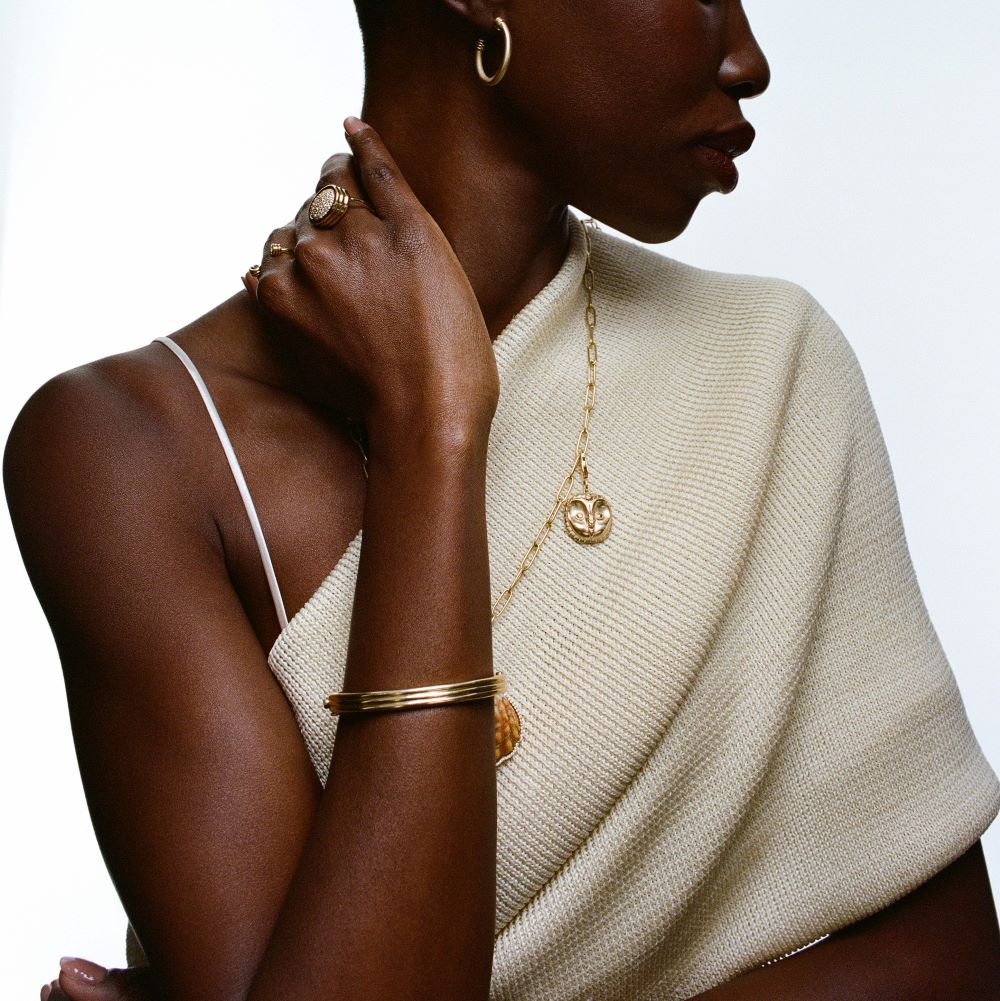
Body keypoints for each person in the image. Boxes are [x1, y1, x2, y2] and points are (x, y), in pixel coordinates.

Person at [6, 2, 1000, 1000]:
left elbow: (947, 969)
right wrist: (432, 433)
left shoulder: (770, 367)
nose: (749, 59)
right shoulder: (128, 451)